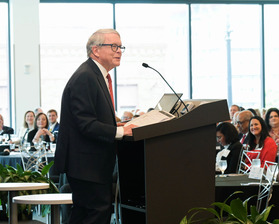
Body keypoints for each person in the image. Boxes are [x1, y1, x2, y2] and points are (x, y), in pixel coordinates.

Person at [54, 29, 136, 224]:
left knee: (84, 215)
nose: (119, 51)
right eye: (114, 46)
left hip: (90, 165)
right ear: (96, 50)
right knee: (96, 214)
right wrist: (120, 131)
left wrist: (118, 124)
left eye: (120, 47)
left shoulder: (96, 75)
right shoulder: (86, 76)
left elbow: (90, 117)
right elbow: (85, 123)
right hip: (87, 165)